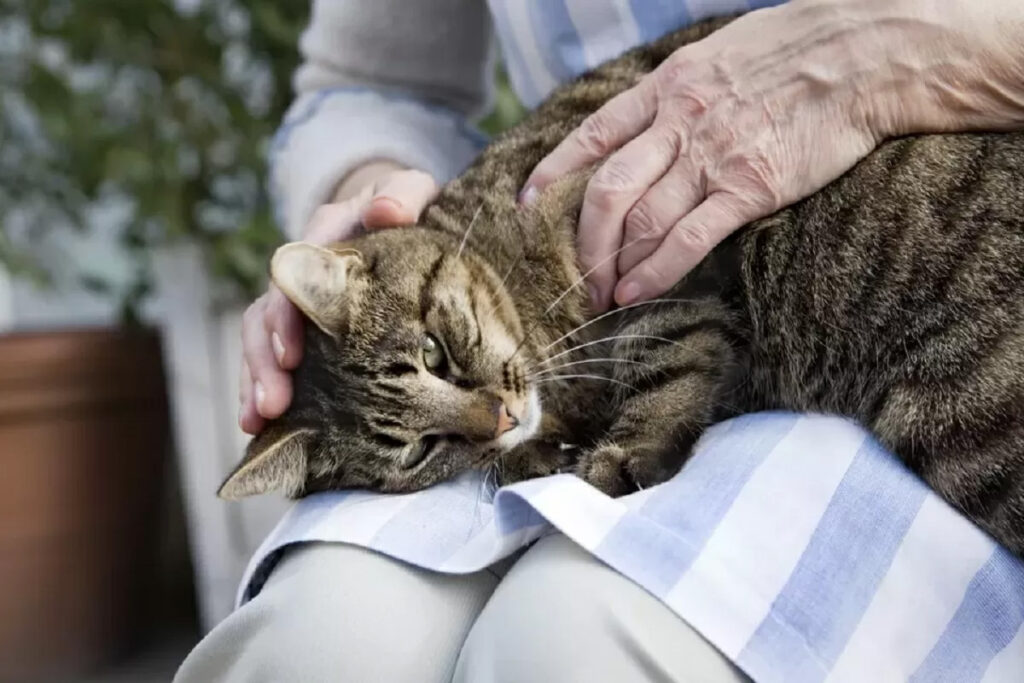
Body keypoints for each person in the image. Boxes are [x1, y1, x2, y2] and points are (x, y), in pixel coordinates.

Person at [179, 1, 1024, 680]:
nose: (483, 417)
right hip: (556, 314)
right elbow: (370, 83)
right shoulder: (496, 311)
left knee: (567, 646)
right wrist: (371, 213)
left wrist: (902, 48)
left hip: (932, 209)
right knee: (310, 649)